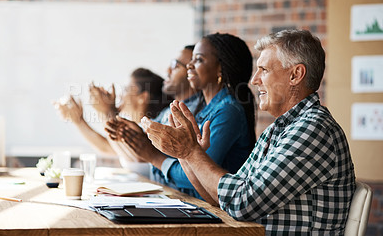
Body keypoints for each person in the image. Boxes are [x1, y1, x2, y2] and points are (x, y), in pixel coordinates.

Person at [141, 29, 356, 234]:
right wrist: (185, 154)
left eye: (264, 70)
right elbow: (219, 199)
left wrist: (190, 153)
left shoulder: (313, 130)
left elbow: (242, 202)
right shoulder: (279, 129)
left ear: (295, 75)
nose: (254, 80)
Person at [106, 33, 257, 200]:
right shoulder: (206, 108)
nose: (189, 66)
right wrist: (141, 136)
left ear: (220, 68)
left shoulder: (228, 111)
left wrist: (153, 156)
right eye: (191, 60)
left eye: (198, 60)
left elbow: (198, 174)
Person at [53, 68, 170, 166]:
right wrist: (79, 120)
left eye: (125, 90)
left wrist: (107, 111)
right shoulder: (139, 126)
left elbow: (134, 156)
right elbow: (108, 148)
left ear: (142, 97)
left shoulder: (154, 130)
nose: (120, 95)